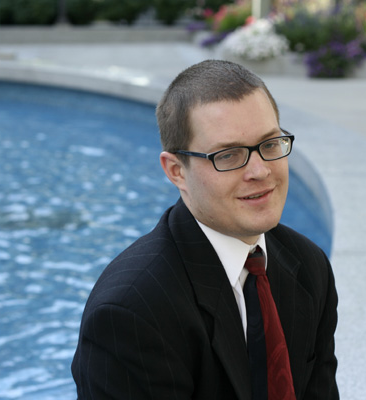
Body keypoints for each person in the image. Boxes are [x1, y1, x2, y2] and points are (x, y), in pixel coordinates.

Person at [71, 60, 339, 399]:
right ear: (176, 171)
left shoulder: (309, 265)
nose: (260, 171)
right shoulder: (132, 311)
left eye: (270, 144)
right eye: (228, 155)